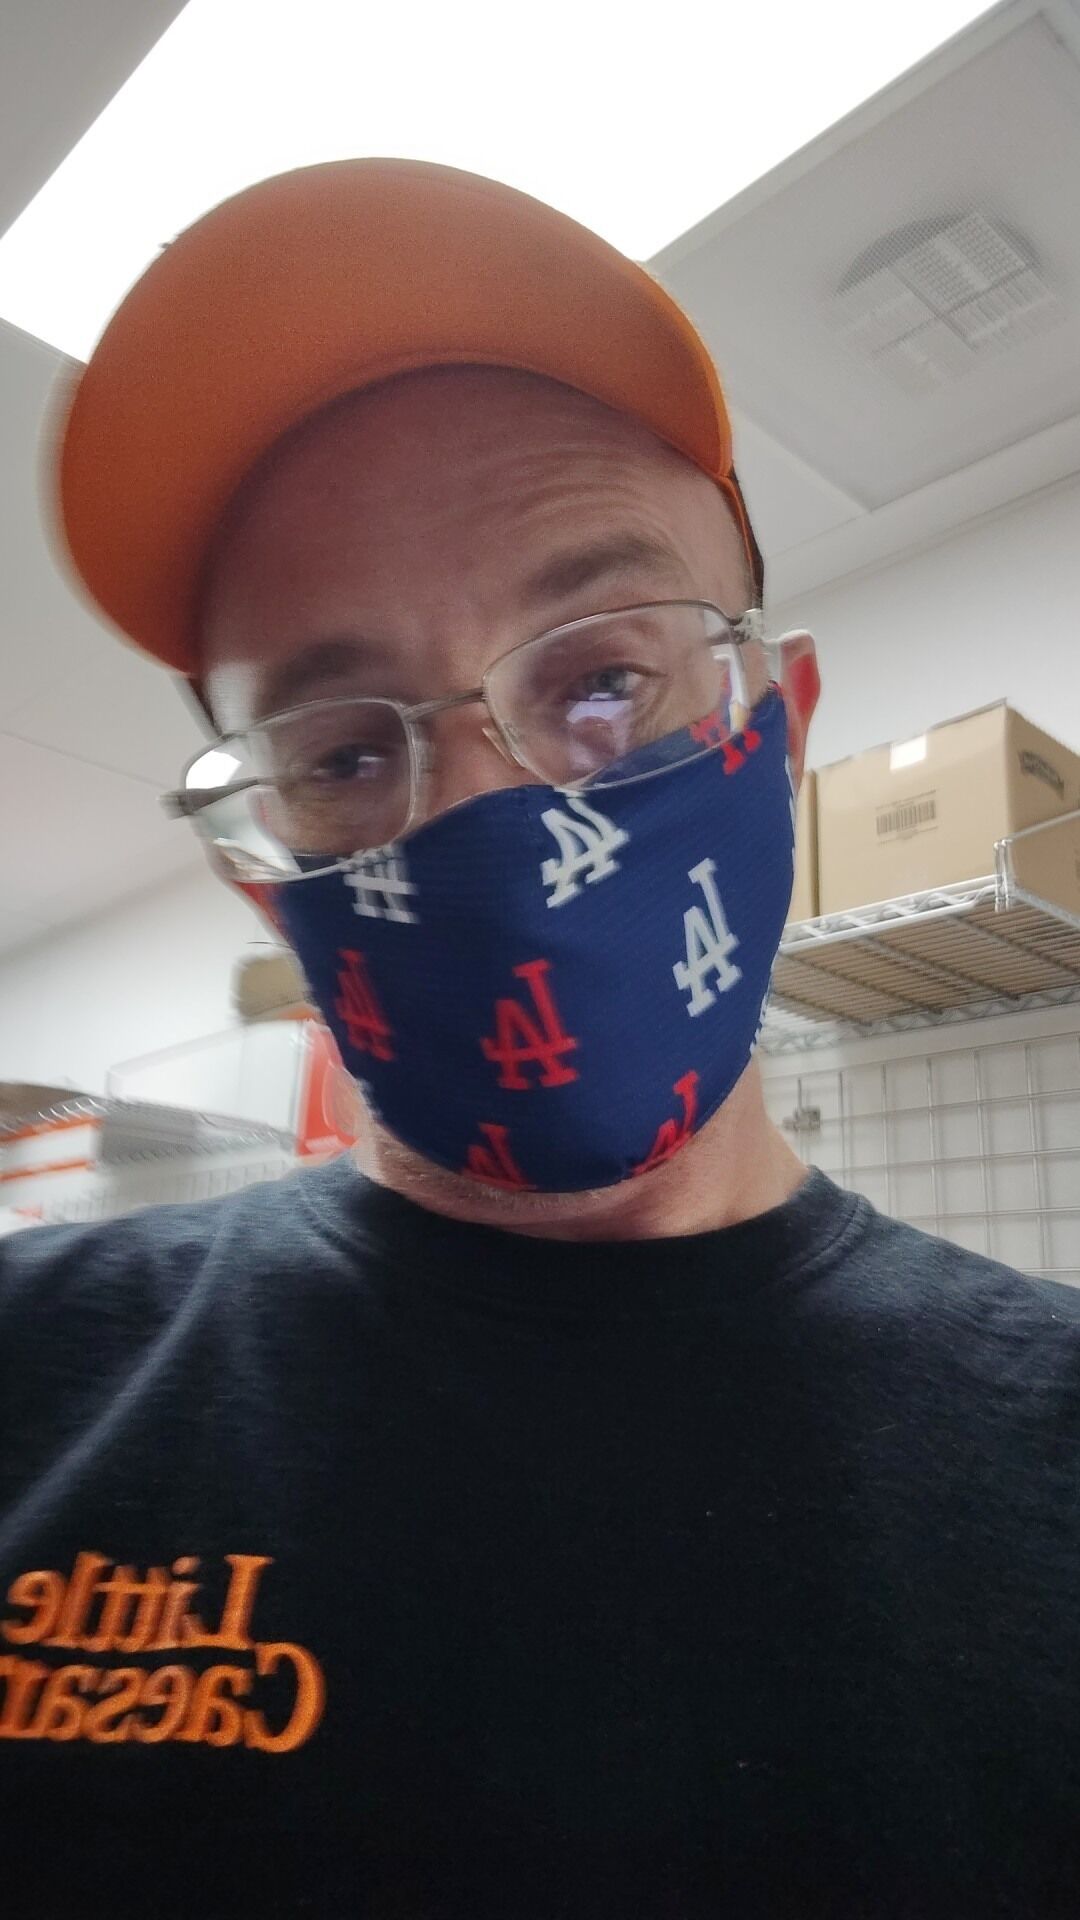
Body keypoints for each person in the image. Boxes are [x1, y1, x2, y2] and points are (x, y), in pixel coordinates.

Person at [1, 158, 1078, 1920]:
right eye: (348, 752)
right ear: (264, 874)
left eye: (601, 681)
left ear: (778, 730)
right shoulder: (34, 1375)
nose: (487, 816)